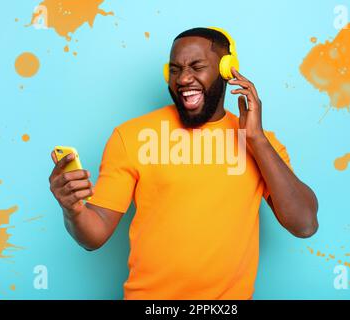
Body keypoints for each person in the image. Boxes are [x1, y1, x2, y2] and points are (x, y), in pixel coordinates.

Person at [49, 27, 318, 300]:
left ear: (227, 70)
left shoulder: (260, 144)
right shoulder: (131, 136)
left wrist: (257, 141)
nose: (184, 78)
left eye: (196, 66)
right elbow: (94, 236)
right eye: (175, 69)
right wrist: (72, 210)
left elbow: (304, 224)